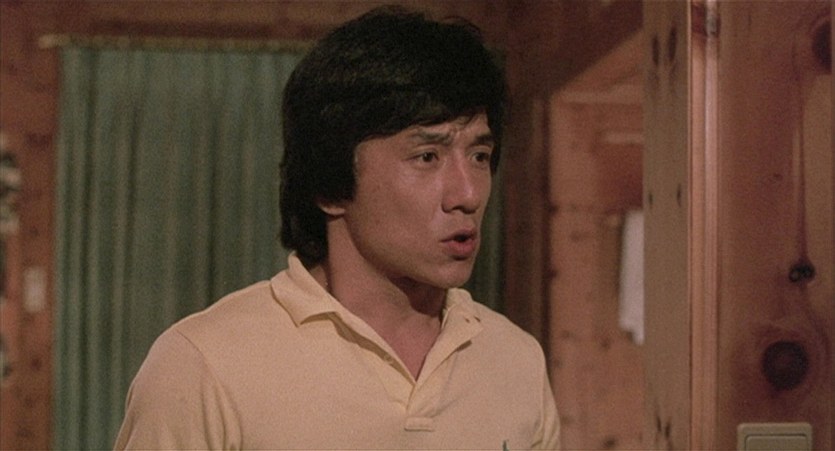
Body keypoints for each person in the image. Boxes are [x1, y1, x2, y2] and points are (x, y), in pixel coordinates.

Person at [115, 6, 560, 450]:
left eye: (480, 156)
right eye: (428, 156)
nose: (468, 194)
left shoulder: (515, 360)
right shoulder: (205, 365)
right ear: (330, 185)